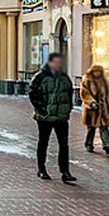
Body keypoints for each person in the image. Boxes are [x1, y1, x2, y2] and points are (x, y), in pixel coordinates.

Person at [29, 52, 77, 183]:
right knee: (43, 142)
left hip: (61, 117)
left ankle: (65, 172)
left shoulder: (64, 77)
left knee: (64, 144)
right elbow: (33, 94)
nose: (58, 65)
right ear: (49, 63)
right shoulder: (40, 76)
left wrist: (67, 109)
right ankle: (41, 169)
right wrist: (42, 110)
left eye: (59, 62)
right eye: (55, 62)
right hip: (45, 117)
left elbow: (69, 93)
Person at [79, 64, 109, 156]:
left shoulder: (104, 82)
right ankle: (89, 144)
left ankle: (107, 145)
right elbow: (85, 94)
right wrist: (91, 103)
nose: (97, 73)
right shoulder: (87, 80)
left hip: (103, 109)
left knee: (104, 127)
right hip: (92, 110)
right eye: (95, 71)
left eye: (99, 71)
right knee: (91, 128)